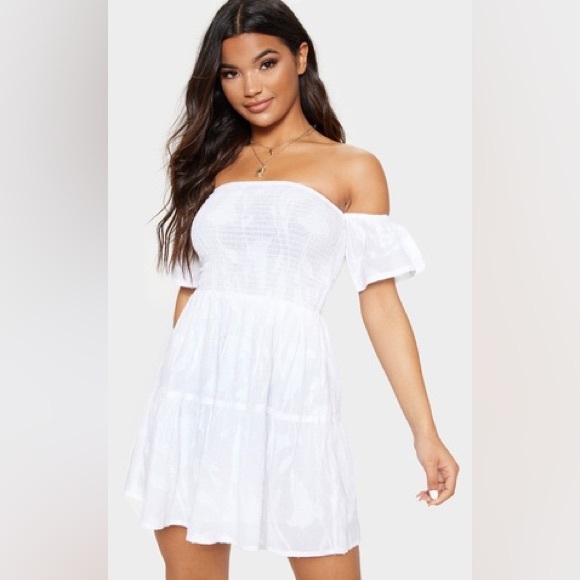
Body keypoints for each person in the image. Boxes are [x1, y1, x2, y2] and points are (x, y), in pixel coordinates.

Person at [123, 0, 460, 578]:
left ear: (301, 57)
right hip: (195, 397)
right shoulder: (210, 164)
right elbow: (191, 293)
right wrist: (177, 405)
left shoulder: (353, 167)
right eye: (231, 73)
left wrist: (425, 433)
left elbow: (381, 305)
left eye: (267, 63)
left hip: (293, 392)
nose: (250, 87)